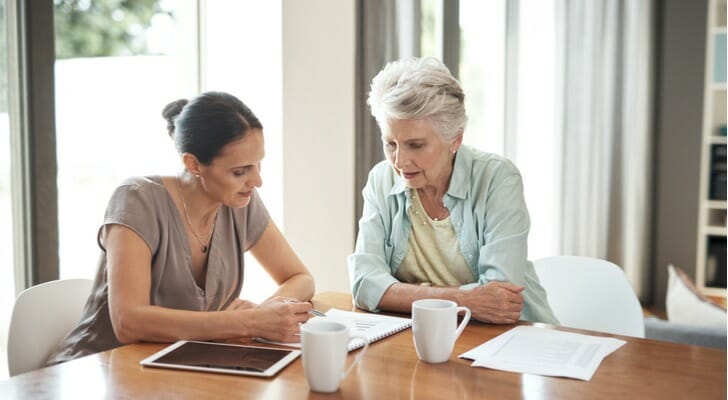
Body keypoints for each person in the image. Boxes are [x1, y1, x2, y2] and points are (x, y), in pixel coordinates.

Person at [48, 91, 315, 365]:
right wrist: (246, 322)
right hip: (94, 371)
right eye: (240, 171)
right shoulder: (137, 199)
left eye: (259, 165)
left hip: (177, 371)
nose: (256, 181)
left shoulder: (240, 203)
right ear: (193, 164)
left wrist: (265, 312)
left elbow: (300, 278)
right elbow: (128, 322)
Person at [348, 57, 557, 325]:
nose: (399, 162)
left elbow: (500, 298)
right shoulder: (381, 179)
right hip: (422, 334)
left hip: (508, 338)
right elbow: (364, 284)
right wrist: (466, 300)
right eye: (390, 144)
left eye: (415, 145)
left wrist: (398, 294)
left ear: (455, 138)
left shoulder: (497, 179)